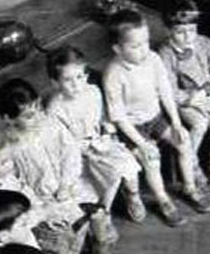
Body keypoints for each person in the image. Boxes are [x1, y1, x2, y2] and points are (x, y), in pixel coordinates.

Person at [0, 78, 117, 254]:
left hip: (71, 185)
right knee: (62, 232)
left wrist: (66, 183)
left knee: (97, 213)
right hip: (44, 200)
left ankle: (100, 244)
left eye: (39, 108)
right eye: (28, 116)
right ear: (8, 119)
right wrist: (39, 203)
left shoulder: (50, 125)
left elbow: (70, 154)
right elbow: (16, 184)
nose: (37, 117)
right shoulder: (10, 147)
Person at [102, 8, 209, 226]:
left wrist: (177, 123)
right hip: (132, 128)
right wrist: (142, 144)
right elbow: (119, 117)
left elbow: (165, 92)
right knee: (152, 160)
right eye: (135, 46)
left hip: (155, 117)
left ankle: (189, 186)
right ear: (117, 49)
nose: (143, 50)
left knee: (184, 141)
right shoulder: (113, 74)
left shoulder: (153, 59)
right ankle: (163, 199)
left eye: (145, 42)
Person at [45, 45, 145, 221]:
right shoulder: (55, 108)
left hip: (100, 141)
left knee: (129, 165)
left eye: (80, 76)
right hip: (76, 151)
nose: (76, 84)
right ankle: (103, 212)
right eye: (68, 80)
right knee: (108, 178)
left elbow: (102, 118)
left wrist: (108, 130)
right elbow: (60, 141)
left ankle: (133, 195)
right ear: (55, 83)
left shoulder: (93, 92)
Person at [158, 0, 210, 186]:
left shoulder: (204, 43)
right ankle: (192, 163)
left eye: (192, 31)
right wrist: (191, 100)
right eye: (180, 32)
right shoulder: (165, 53)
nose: (188, 37)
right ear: (168, 30)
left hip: (205, 93)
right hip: (183, 100)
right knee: (200, 124)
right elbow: (168, 89)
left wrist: (206, 91)